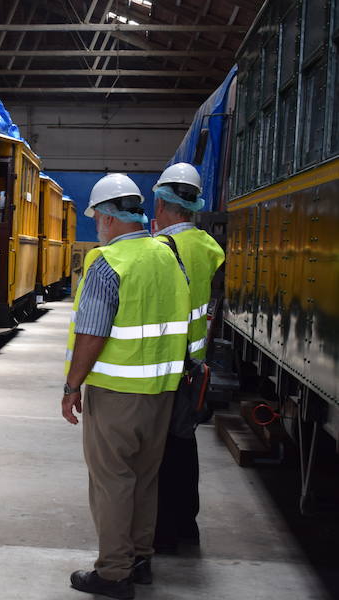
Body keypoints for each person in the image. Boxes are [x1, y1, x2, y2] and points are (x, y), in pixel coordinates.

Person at [63, 173, 190, 599]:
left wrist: (71, 385)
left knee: (112, 481)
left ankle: (113, 574)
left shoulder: (108, 262)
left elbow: (92, 333)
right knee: (144, 478)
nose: (96, 224)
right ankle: (139, 558)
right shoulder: (168, 255)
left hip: (117, 393)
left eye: (96, 216)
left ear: (108, 218)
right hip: (161, 392)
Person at [152, 163, 225, 554]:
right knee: (185, 445)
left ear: (162, 203)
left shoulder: (164, 250)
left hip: (168, 364)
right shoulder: (209, 247)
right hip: (197, 363)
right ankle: (186, 526)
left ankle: (163, 534)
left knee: (161, 452)